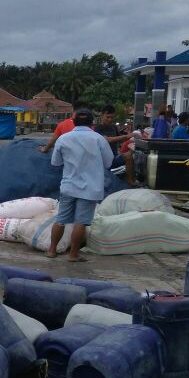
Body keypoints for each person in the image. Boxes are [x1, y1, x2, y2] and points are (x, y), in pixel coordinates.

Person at [48, 109, 113, 262]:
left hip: (69, 185)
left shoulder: (63, 139)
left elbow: (55, 162)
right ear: (92, 123)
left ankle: (51, 250)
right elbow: (108, 162)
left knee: (61, 219)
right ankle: (73, 254)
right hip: (91, 187)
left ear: (74, 122)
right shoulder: (98, 139)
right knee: (81, 221)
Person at [94, 105, 136, 185]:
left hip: (114, 158)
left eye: (112, 117)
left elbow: (120, 139)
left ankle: (131, 182)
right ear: (102, 115)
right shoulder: (97, 129)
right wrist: (126, 136)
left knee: (130, 155)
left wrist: (133, 138)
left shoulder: (114, 127)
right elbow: (107, 140)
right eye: (108, 117)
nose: (110, 119)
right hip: (102, 161)